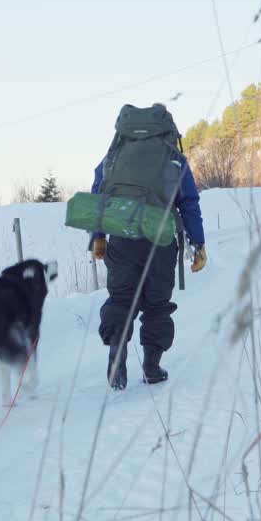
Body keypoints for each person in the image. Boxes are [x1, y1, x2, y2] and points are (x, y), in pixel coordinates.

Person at [90, 149, 206, 390]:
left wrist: (98, 236)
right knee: (157, 304)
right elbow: (189, 202)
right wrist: (199, 243)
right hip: (161, 240)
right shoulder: (174, 158)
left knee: (121, 299)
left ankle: (116, 358)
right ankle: (152, 368)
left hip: (122, 237)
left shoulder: (115, 156)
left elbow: (98, 194)